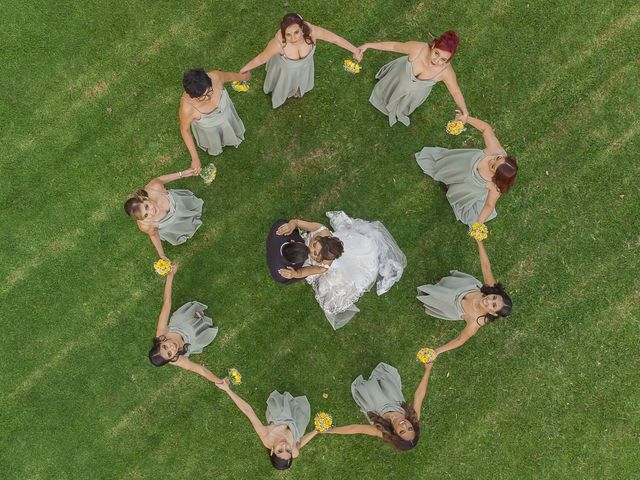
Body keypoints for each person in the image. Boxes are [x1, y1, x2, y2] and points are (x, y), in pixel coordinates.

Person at [276, 211, 406, 329]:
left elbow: (305, 272)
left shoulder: (323, 266)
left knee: (329, 288)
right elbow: (299, 223)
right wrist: (292, 224)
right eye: (314, 244)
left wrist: (295, 273)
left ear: (322, 259)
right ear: (320, 238)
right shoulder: (320, 229)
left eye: (315, 254)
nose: (310, 250)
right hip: (337, 248)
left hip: (344, 266)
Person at [240, 12, 362, 108]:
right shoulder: (278, 44)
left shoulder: (313, 32)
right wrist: (245, 68)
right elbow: (261, 59)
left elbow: (336, 39)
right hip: (285, 71)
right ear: (283, 34)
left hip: (305, 68)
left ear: (302, 28)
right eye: (288, 34)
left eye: (296, 32)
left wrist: (355, 50)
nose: (293, 38)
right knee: (283, 82)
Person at [415, 115, 518, 225]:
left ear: (496, 176)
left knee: (459, 193)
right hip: (461, 163)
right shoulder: (496, 150)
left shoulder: (495, 186)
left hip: (468, 187)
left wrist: (480, 222)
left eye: (493, 167)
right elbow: (486, 128)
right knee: (445, 167)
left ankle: (452, 187)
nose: (491, 161)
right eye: (497, 158)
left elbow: (489, 205)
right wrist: (465, 118)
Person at [416, 239, 512, 357]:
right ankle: (442, 283)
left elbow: (460, 340)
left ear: (493, 313)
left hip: (450, 304)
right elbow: (486, 267)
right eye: (493, 297)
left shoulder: (475, 322)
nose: (489, 300)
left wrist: (437, 351)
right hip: (460, 287)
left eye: (493, 305)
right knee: (445, 283)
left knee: (434, 295)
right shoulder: (491, 288)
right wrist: (479, 242)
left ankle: (431, 292)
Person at [359, 31, 468, 126]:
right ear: (433, 45)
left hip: (415, 94)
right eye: (436, 53)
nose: (436, 60)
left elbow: (455, 92)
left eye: (443, 59)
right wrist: (368, 45)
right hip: (397, 77)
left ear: (448, 61)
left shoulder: (446, 72)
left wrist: (465, 112)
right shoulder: (418, 49)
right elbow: (394, 46)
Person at [321, 361, 434, 450]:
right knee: (388, 382)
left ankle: (367, 386)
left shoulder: (382, 431)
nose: (404, 425)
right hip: (392, 396)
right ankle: (381, 378)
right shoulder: (414, 418)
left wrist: (331, 430)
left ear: (395, 433)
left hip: (373, 401)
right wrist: (427, 370)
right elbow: (419, 395)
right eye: (409, 428)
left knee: (370, 392)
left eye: (402, 431)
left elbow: (356, 428)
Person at [216, 379, 317, 470]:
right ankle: (292, 409)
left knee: (279, 409)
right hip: (295, 424)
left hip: (279, 417)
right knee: (299, 423)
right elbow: (298, 445)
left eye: (280, 450)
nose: (285, 445)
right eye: (288, 450)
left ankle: (283, 402)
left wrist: (227, 390)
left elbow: (248, 411)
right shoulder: (294, 452)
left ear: (272, 451)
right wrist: (316, 431)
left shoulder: (266, 435)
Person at [148, 263, 222, 383]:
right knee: (196, 335)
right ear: (172, 358)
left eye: (165, 346)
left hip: (181, 322)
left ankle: (196, 315)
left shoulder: (161, 333)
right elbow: (201, 370)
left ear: (161, 341)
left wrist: (170, 276)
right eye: (170, 353)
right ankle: (202, 323)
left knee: (182, 316)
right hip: (193, 338)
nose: (171, 347)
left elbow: (167, 303)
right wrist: (220, 382)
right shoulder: (179, 360)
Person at [123, 168, 202, 260]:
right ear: (142, 219)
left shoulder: (154, 188)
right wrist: (162, 255)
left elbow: (160, 180)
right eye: (146, 215)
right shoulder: (145, 225)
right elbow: (154, 235)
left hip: (181, 207)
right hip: (173, 226)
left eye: (147, 207)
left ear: (146, 198)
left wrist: (182, 174)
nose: (151, 212)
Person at [179, 68, 248, 169]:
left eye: (209, 91)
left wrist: (244, 77)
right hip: (210, 131)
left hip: (227, 116)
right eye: (201, 97)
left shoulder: (216, 77)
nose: (208, 98)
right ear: (192, 96)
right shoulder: (187, 108)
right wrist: (195, 159)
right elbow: (185, 130)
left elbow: (231, 76)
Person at [266, 219, 307, 284]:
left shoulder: (280, 226)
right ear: (293, 263)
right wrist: (296, 274)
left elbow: (291, 223)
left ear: (292, 241)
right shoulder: (281, 275)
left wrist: (292, 224)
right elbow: (291, 280)